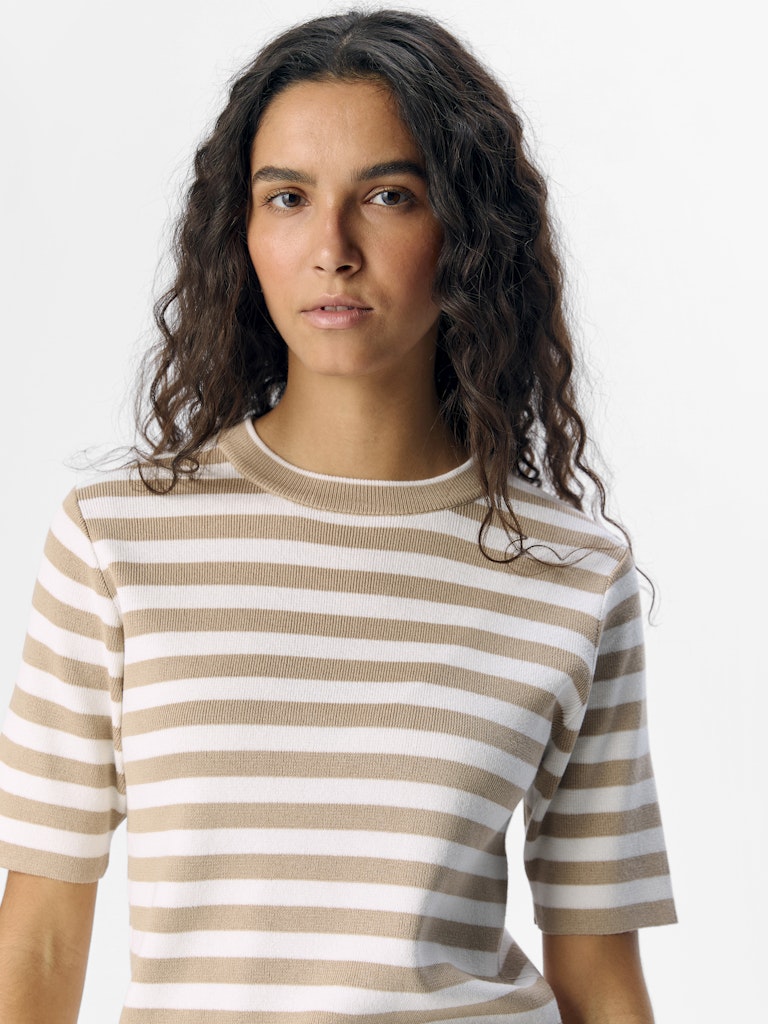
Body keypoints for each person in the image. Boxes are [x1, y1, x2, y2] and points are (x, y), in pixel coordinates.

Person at [0, 8, 676, 1022]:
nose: (332, 248)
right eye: (288, 197)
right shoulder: (116, 539)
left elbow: (600, 975)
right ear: (243, 234)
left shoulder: (572, 571)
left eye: (389, 196)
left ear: (466, 234)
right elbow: (42, 935)